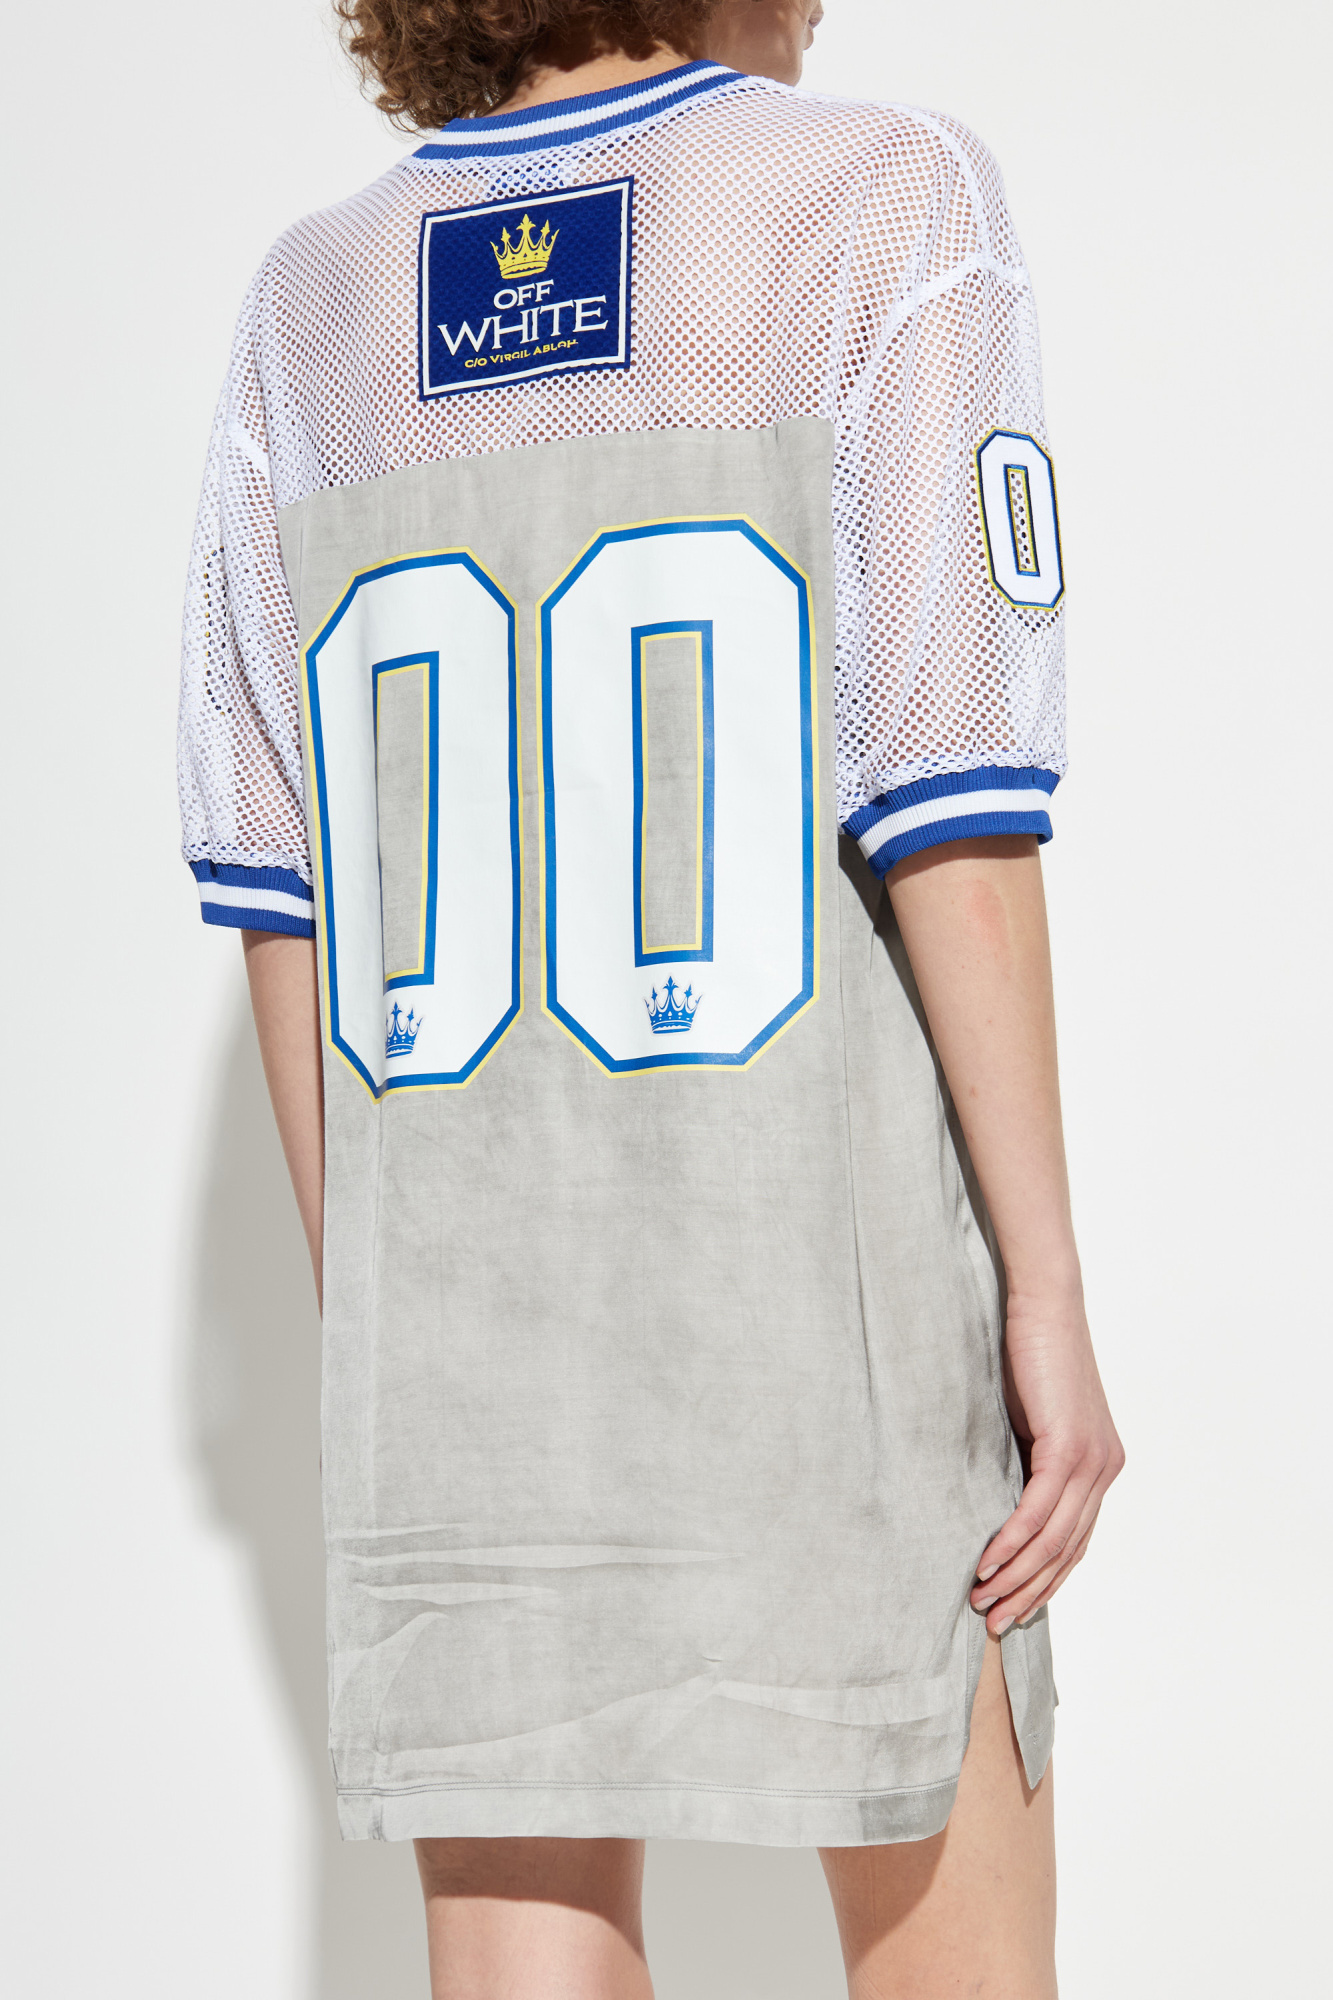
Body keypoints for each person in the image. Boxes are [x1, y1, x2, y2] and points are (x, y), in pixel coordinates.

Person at [177, 2, 1123, 1992]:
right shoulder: (878, 200)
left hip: (464, 1348)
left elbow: (281, 888)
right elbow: (950, 797)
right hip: (831, 1295)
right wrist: (1044, 1287)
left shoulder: (308, 304)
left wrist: (384, 1337)